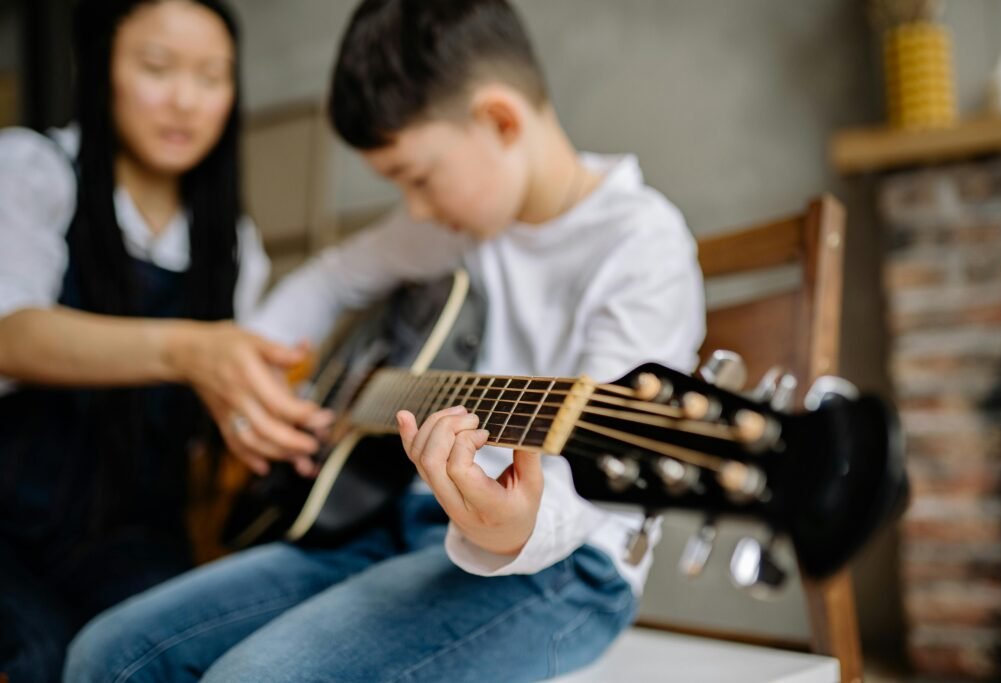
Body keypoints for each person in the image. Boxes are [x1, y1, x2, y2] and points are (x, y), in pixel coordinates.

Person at [64, 0, 706, 680]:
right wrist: (259, 379)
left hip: (559, 569)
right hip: (385, 522)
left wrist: (515, 522)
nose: (415, 208)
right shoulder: (458, 221)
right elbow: (332, 278)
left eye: (417, 179)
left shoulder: (641, 247)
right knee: (108, 653)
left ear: (499, 120)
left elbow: (594, 475)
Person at [0, 1, 330, 680]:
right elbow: (10, 332)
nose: (185, 101)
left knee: (169, 653)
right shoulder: (33, 169)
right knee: (39, 657)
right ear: (99, 71)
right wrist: (189, 349)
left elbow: (228, 411)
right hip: (8, 521)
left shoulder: (232, 242)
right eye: (157, 68)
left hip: (136, 535)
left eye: (212, 77)